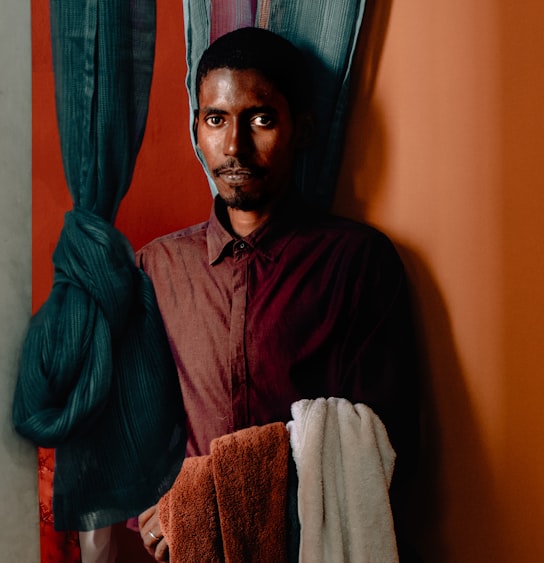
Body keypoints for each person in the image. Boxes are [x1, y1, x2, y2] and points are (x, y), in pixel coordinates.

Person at [134, 27, 419, 561]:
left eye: (260, 119)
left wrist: (211, 491)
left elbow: (381, 439)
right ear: (196, 127)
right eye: (215, 119)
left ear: (303, 129)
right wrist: (162, 508)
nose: (234, 145)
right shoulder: (156, 270)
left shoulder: (356, 262)